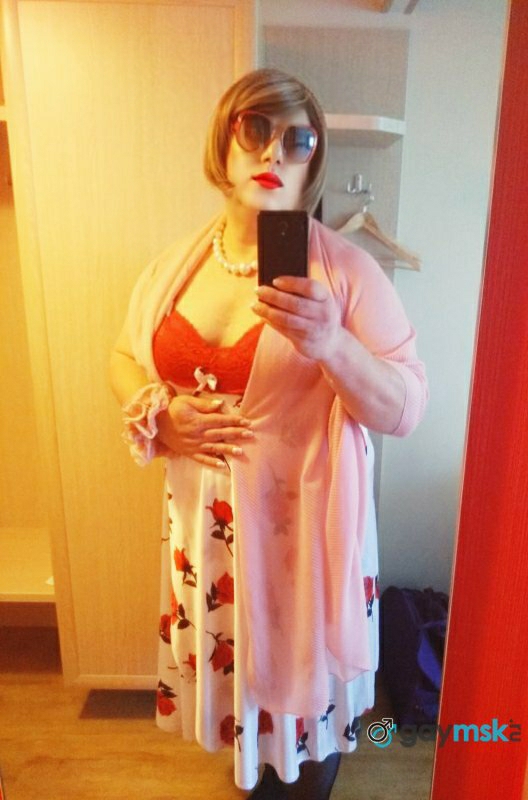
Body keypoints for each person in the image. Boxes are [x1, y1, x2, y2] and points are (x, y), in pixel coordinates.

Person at [110, 68, 428, 799]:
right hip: (208, 540)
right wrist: (164, 413)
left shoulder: (345, 274)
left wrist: (335, 345)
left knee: (303, 717)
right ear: (221, 143)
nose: (274, 151)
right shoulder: (176, 267)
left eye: (299, 140)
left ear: (315, 163)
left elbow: (407, 407)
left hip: (303, 543)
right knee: (244, 704)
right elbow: (122, 357)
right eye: (254, 128)